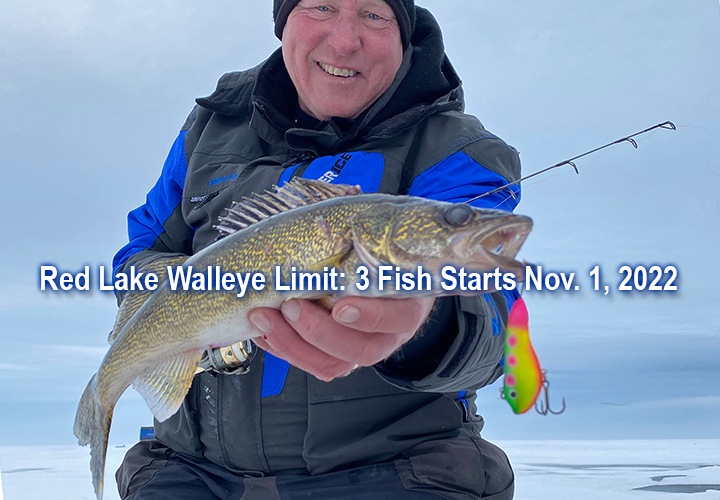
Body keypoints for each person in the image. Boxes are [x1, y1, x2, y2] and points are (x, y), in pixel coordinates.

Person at [112, 1, 522, 498]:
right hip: (187, 469)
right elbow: (142, 248)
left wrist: (425, 323)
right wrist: (185, 294)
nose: (345, 41)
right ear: (284, 22)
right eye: (321, 6)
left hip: (398, 472)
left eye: (373, 14)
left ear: (404, 33)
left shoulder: (458, 150)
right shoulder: (208, 128)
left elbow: (492, 325)